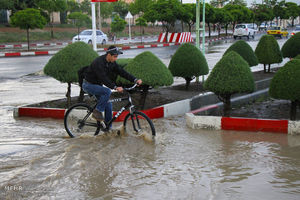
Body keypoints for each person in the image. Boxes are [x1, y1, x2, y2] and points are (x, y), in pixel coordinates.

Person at [82, 45, 142, 127]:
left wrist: (135, 79)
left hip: (97, 85)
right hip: (88, 85)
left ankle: (108, 128)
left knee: (109, 105)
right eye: (115, 56)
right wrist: (115, 87)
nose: (116, 58)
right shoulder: (98, 62)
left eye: (117, 56)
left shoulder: (111, 63)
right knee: (107, 92)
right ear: (109, 55)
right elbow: (103, 78)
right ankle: (97, 111)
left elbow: (121, 72)